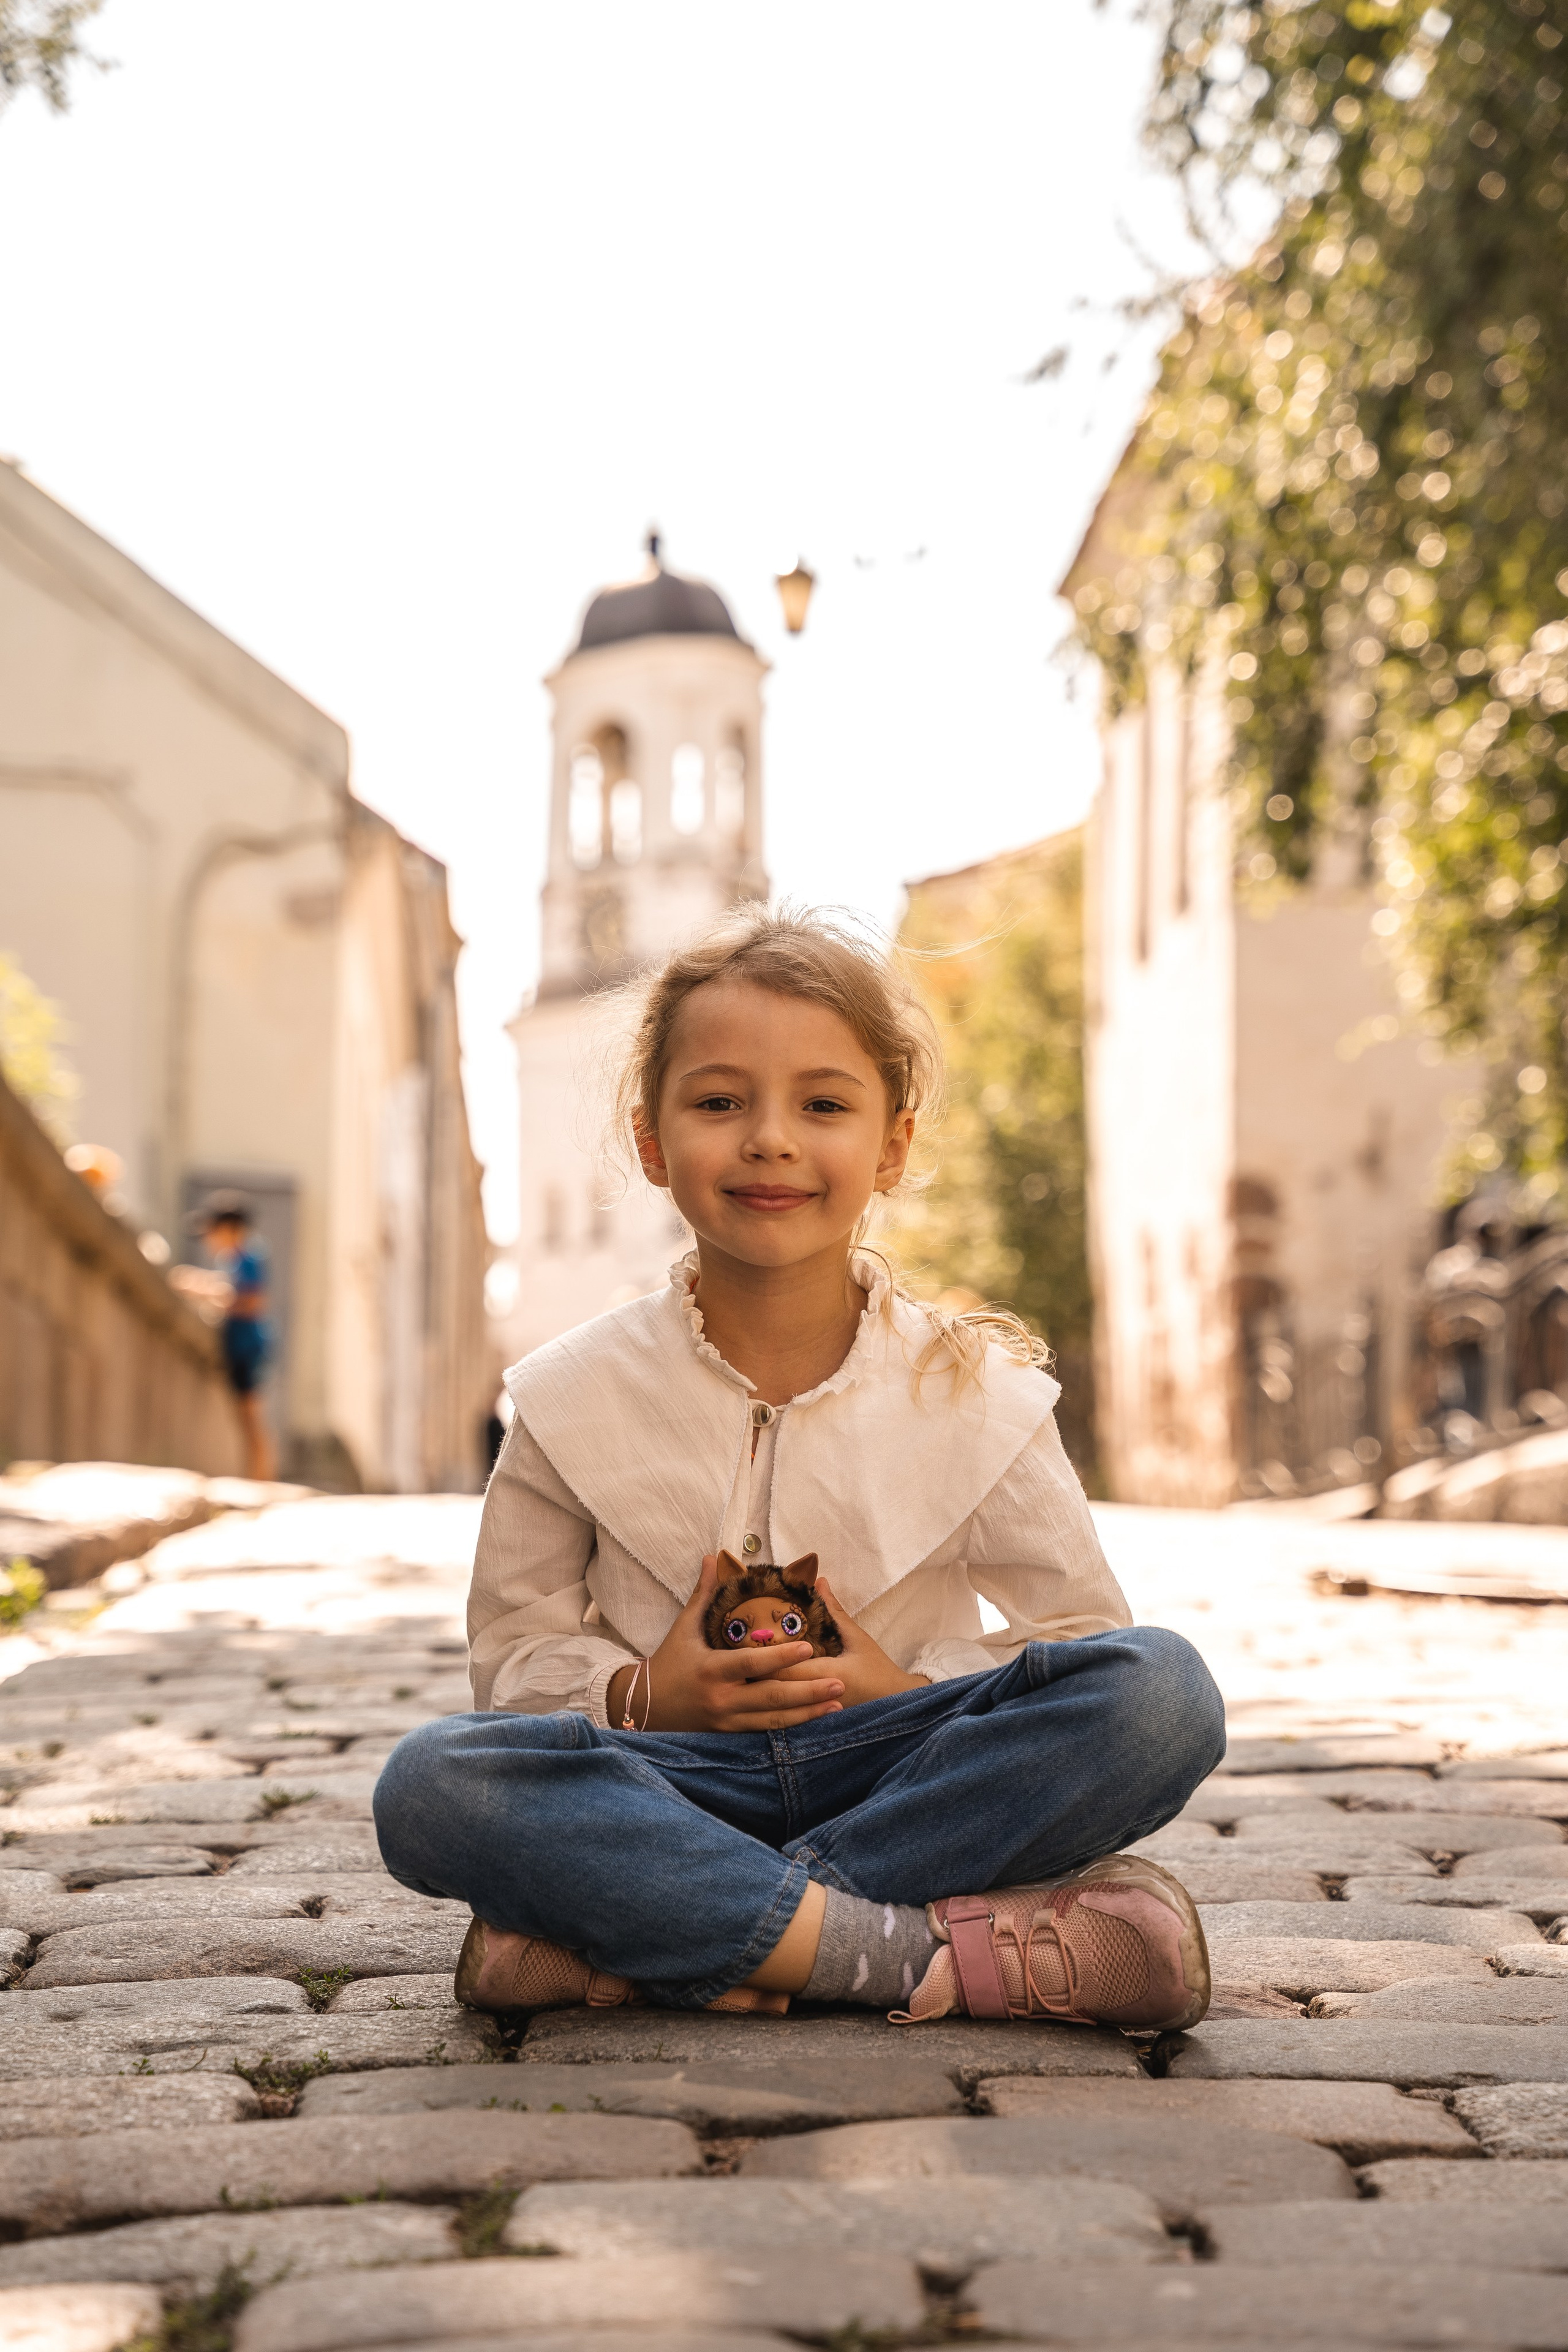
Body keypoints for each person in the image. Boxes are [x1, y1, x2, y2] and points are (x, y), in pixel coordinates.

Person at [375, 907, 1224, 2029]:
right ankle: (898, 1948)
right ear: (650, 1140)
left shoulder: (977, 1395)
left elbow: (1074, 1640)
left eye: (823, 1105)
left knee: (1162, 1694)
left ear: (892, 1145)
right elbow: (515, 1653)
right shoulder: (567, 1395)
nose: (771, 1139)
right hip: (673, 1782)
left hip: (911, 1776)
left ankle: (662, 1933)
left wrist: (901, 1690)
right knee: (435, 1783)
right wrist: (645, 1694)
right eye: (720, 1102)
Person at [200, 1193, 276, 1483]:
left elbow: (253, 1301)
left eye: (213, 1231)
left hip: (247, 1346)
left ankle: (262, 1480)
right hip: (240, 1345)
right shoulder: (236, 1260)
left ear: (229, 1228)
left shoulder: (248, 1257)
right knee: (247, 1418)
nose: (209, 1238)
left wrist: (209, 1292)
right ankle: (258, 1477)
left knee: (251, 1417)